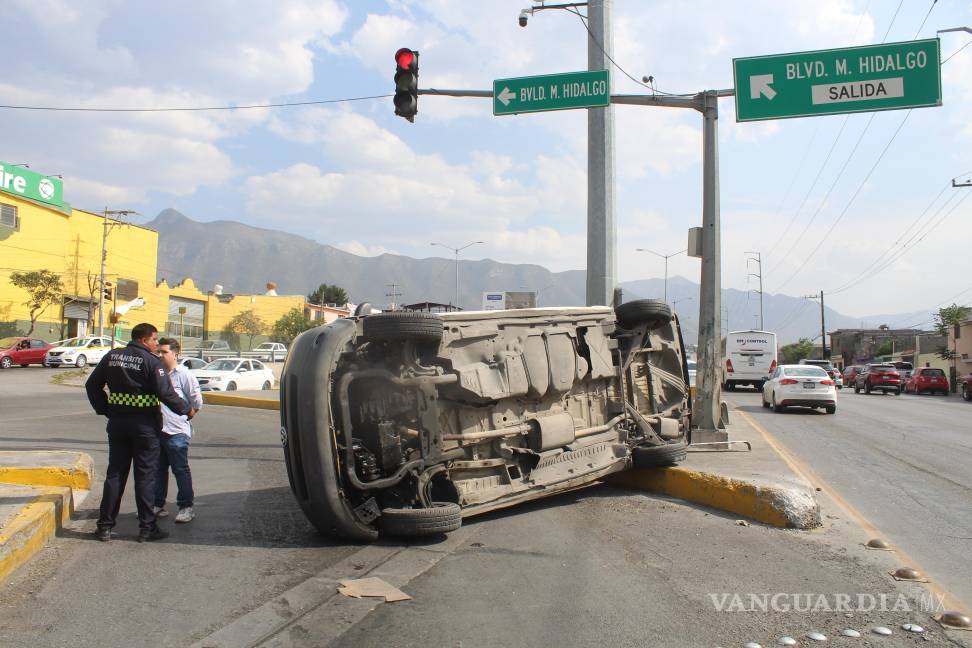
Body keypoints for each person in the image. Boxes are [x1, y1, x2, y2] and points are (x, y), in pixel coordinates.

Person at [85, 323, 191, 542]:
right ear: (144, 340)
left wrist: (105, 409)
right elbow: (166, 393)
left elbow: (91, 385)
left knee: (115, 474)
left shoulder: (112, 356)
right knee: (145, 477)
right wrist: (186, 410)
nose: (156, 344)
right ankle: (147, 528)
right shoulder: (152, 362)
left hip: (118, 425)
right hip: (145, 427)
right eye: (154, 340)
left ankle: (104, 527)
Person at [153, 337, 201, 523]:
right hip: (157, 430)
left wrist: (188, 415)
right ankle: (158, 505)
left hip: (177, 431)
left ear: (175, 354)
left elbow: (196, 402)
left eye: (164, 352)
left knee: (180, 469)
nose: (160, 355)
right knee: (158, 469)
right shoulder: (156, 373)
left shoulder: (184, 375)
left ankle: (186, 507)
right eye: (158, 351)